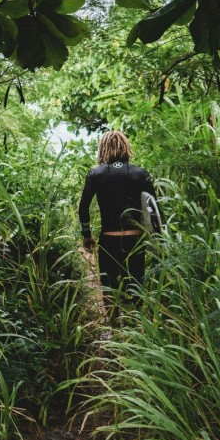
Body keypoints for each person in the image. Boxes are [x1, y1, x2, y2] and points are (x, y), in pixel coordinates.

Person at [78, 130, 157, 314]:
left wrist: (87, 235)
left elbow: (83, 208)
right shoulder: (140, 173)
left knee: (109, 286)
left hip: (109, 239)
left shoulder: (95, 174)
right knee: (136, 284)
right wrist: (157, 240)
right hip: (134, 240)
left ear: (103, 148)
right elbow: (154, 209)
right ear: (125, 147)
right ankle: (134, 327)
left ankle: (114, 328)